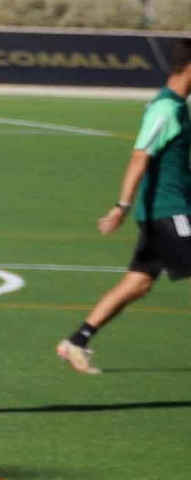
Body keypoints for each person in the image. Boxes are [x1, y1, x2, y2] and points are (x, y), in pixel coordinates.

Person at [56, 38, 191, 374]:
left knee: (138, 282)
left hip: (164, 210)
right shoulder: (166, 109)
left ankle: (77, 341)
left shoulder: (176, 107)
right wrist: (122, 205)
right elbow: (139, 155)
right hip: (168, 212)